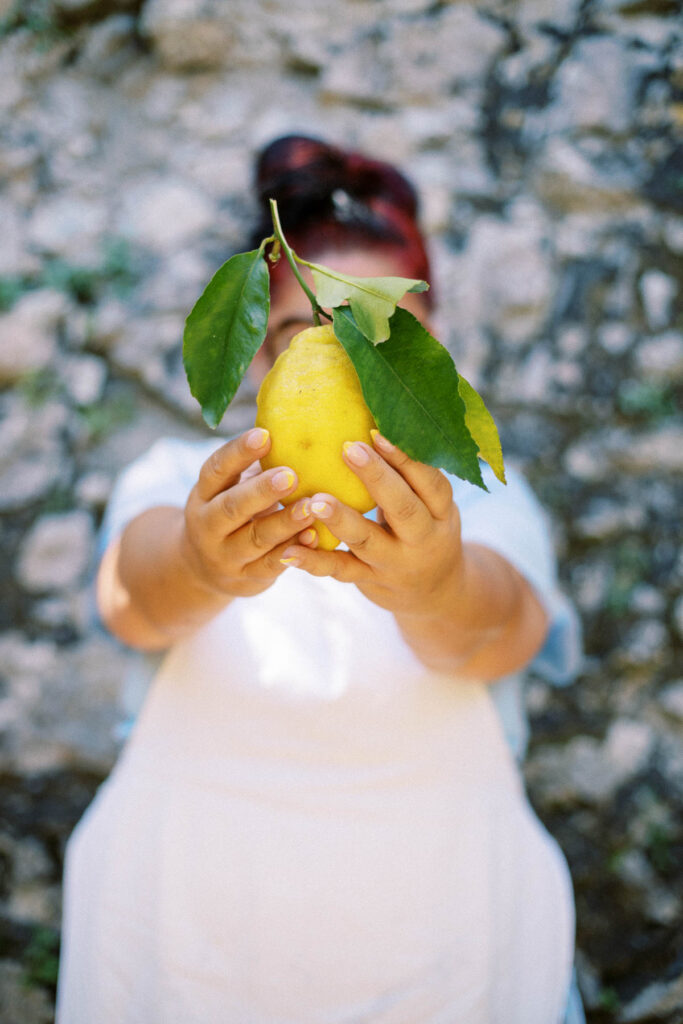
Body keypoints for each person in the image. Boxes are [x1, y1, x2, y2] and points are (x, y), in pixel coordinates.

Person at [56, 135, 585, 1024]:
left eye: (368, 328)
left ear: (423, 348)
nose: (338, 350)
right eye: (308, 329)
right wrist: (198, 561)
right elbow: (131, 600)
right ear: (260, 349)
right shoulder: (190, 481)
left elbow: (500, 631)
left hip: (442, 960)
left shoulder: (469, 492)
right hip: (184, 954)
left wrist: (433, 585)